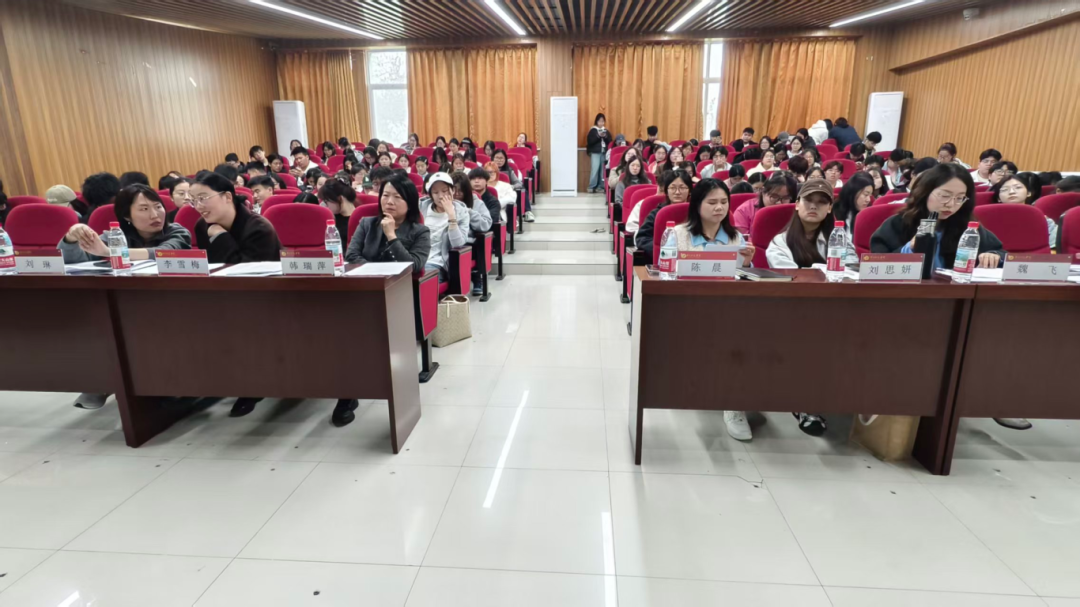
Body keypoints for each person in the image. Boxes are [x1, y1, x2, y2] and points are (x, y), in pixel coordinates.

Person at [192, 172, 282, 418]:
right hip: (223, 297)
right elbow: (210, 268)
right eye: (194, 200)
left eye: (203, 198)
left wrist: (220, 236)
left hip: (267, 299)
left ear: (227, 196)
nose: (198, 206)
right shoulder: (202, 226)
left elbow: (245, 275)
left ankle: (253, 385)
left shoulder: (259, 227)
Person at [671, 179, 756, 438]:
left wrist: (747, 263)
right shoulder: (678, 234)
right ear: (697, 205)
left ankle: (734, 405)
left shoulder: (735, 237)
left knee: (744, 339)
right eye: (712, 202)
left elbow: (741, 280)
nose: (719, 208)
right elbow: (668, 275)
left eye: (723, 202)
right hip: (688, 306)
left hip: (728, 308)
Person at [61, 183, 190, 265]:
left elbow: (163, 253)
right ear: (127, 215)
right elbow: (75, 260)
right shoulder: (117, 235)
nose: (155, 215)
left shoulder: (178, 232)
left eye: (158, 207)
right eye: (144, 209)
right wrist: (71, 237)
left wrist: (110, 252)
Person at [419, 172, 470, 283]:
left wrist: (451, 216)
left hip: (438, 263)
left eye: (445, 190)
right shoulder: (420, 208)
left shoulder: (461, 213)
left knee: (419, 281)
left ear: (453, 190)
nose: (440, 196)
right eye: (435, 192)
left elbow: (458, 244)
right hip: (416, 260)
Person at [635, 170, 693, 258]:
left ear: (690, 191)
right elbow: (642, 239)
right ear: (666, 191)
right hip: (663, 259)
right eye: (673, 188)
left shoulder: (697, 212)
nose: (677, 192)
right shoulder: (657, 214)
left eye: (682, 188)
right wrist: (665, 251)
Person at [992, 172, 1053, 248]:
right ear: (998, 198)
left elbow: (1053, 248)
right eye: (1004, 190)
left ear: (1029, 193)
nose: (1011, 192)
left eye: (1018, 188)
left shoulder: (1042, 219)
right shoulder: (990, 219)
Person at [732, 173, 797, 234]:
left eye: (785, 198)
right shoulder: (744, 210)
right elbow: (742, 240)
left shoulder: (796, 211)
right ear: (763, 191)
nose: (779, 203)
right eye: (774, 197)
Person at [318, 178, 357, 264]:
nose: (325, 205)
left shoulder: (361, 220)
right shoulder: (330, 221)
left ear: (340, 199)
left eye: (327, 201)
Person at [586, 113, 613, 193]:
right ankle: (591, 186)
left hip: (604, 152)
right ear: (596, 122)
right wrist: (598, 136)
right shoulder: (593, 130)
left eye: (602, 121)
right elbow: (590, 141)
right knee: (595, 169)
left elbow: (610, 141)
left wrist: (605, 137)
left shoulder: (606, 131)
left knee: (602, 170)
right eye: (599, 121)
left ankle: (601, 186)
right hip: (595, 152)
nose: (601, 123)